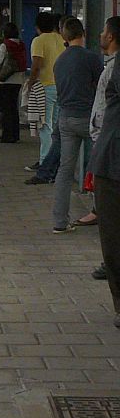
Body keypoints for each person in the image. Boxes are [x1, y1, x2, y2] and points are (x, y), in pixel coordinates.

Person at [50, 18, 103, 233]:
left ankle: (59, 222)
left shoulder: (59, 61)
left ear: (65, 37)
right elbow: (102, 88)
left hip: (66, 118)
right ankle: (99, 211)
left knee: (65, 170)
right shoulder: (91, 58)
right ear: (83, 33)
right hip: (89, 119)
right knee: (99, 166)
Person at [86, 18, 120, 328]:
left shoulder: (114, 68)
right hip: (110, 160)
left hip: (112, 162)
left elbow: (99, 117)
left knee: (112, 236)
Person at [79, 16, 120, 241]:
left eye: (104, 31)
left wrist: (99, 133)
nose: (100, 35)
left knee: (110, 217)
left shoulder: (114, 68)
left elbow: (107, 108)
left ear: (111, 36)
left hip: (109, 142)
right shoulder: (110, 66)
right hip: (107, 140)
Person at [26, 12, 64, 166]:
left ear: (37, 27)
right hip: (60, 86)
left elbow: (37, 64)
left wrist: (30, 83)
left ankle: (44, 162)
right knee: (54, 126)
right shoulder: (61, 39)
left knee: (44, 125)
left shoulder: (39, 40)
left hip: (45, 87)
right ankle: (54, 160)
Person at [0, 22, 27, 144]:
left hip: (3, 81)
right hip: (17, 81)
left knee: (5, 109)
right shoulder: (21, 45)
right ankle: (15, 134)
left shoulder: (5, 45)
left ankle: (6, 135)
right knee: (13, 108)